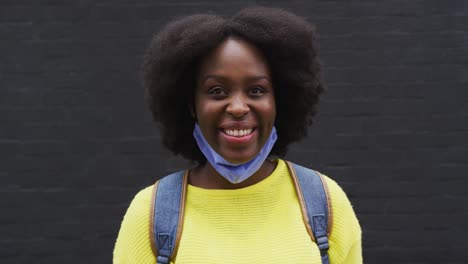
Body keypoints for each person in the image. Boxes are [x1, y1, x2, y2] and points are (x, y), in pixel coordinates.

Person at [113, 7, 362, 264]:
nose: (238, 107)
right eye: (217, 91)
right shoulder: (150, 216)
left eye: (256, 90)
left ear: (279, 99)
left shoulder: (325, 204)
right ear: (191, 105)